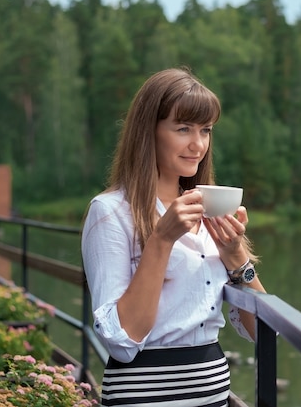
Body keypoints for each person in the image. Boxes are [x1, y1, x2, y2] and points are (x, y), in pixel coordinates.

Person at [81, 67, 266, 407]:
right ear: (148, 131)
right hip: (144, 396)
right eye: (183, 129)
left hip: (213, 394)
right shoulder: (109, 212)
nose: (198, 144)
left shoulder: (211, 213)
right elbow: (121, 343)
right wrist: (162, 240)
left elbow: (265, 333)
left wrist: (236, 256)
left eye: (206, 130)